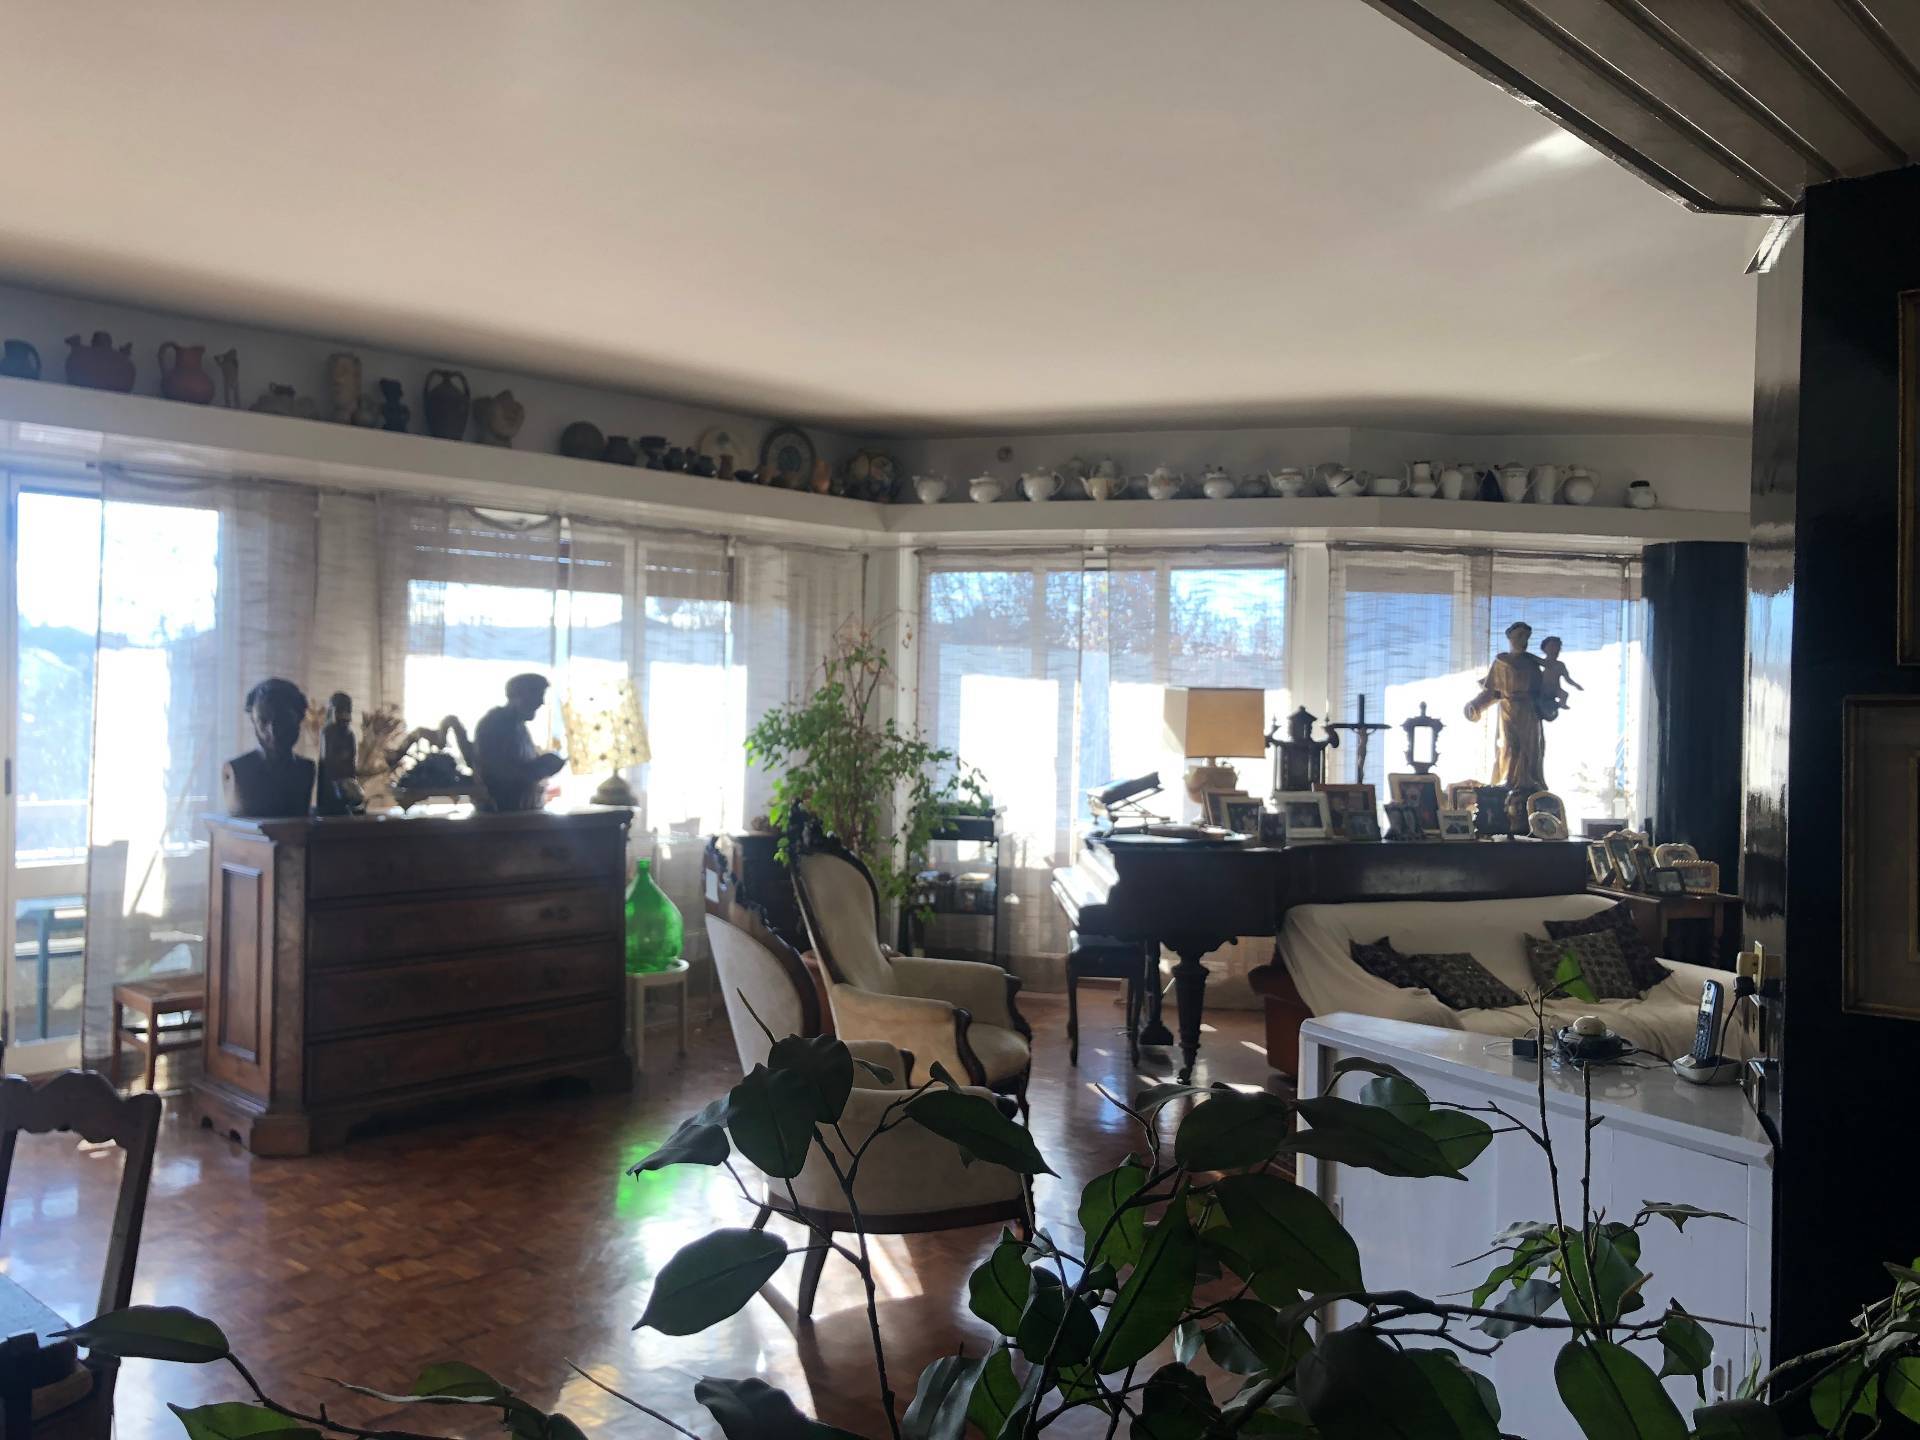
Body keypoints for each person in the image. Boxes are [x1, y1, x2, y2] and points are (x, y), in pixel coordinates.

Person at [1464, 621, 1548, 790]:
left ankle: (1528, 784)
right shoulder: (1502, 662)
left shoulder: (1532, 663)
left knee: (1530, 749)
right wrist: (1476, 706)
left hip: (1530, 714)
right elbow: (1492, 691)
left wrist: (1550, 703)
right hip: (1509, 711)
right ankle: (1509, 782)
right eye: (1519, 636)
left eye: (1526, 637)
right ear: (1510, 638)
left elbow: (1544, 690)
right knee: (1509, 746)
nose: (1523, 640)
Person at [221, 677, 316, 818]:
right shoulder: (239, 769)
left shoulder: (306, 769)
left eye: (283, 719)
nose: (273, 730)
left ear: (299, 719)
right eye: (263, 721)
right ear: (253, 721)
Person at [473, 672, 566, 811]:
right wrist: (541, 768)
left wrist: (544, 764)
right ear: (518, 695)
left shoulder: (517, 725)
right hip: (504, 813)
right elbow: (498, 773)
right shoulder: (495, 724)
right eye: (537, 695)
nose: (541, 702)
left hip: (522, 810)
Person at [1539, 635, 1583, 714]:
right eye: (1551, 648)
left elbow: (1568, 679)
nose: (1554, 651)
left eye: (1557, 649)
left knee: (1565, 694)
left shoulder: (1560, 665)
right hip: (1544, 688)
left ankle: (1561, 704)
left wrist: (1576, 685)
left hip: (1556, 688)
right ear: (1545, 649)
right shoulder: (1541, 662)